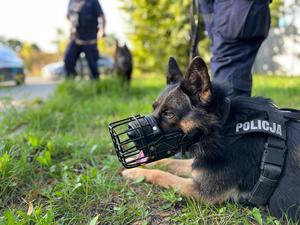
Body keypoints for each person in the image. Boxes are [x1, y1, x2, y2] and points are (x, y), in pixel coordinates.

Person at [199, 0, 271, 97]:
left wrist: (211, 28)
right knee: (240, 78)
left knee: (225, 91)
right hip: (257, 12)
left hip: (231, 17)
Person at [64, 0, 106, 80]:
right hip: (75, 38)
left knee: (93, 65)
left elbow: (102, 16)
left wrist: (102, 30)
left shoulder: (93, 2)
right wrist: (69, 25)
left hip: (90, 39)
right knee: (68, 60)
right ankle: (70, 83)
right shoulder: (71, 1)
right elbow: (67, 16)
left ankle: (96, 85)